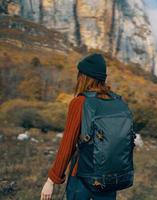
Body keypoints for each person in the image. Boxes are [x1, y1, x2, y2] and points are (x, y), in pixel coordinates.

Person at [40, 53, 117, 200]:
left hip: (82, 176)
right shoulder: (114, 102)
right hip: (109, 177)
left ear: (83, 77)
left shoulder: (79, 103)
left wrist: (51, 180)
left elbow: (67, 145)